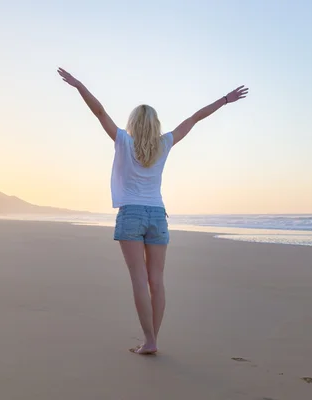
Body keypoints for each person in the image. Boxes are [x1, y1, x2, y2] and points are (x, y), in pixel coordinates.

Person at [57, 67, 248, 355]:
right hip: (158, 216)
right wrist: (224, 99)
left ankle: (149, 341)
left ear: (133, 123)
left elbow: (99, 112)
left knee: (138, 281)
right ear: (156, 124)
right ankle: (152, 340)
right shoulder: (165, 143)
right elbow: (194, 118)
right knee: (156, 280)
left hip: (131, 214)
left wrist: (78, 85)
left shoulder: (123, 140)